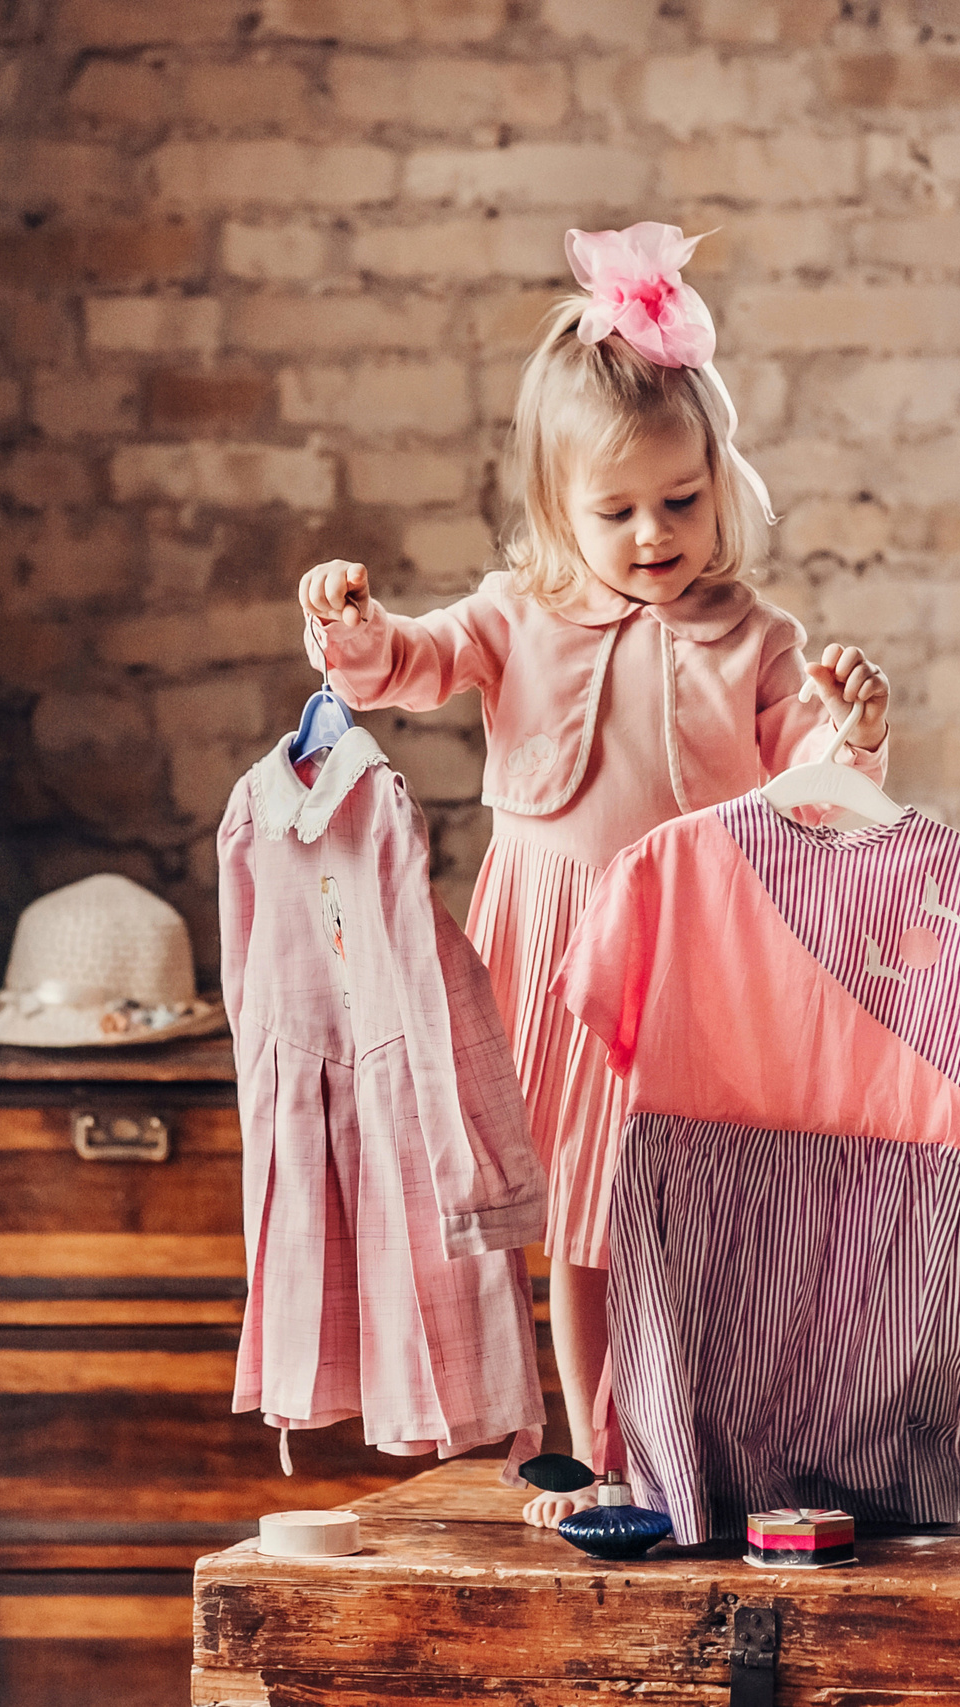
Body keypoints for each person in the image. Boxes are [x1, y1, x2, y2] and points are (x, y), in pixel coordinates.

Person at [295, 223, 892, 1525]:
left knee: (707, 1216)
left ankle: (716, 1437)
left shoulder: (756, 636)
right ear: (555, 507)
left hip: (703, 949)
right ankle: (598, 1454)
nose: (650, 535)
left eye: (680, 502)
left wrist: (854, 721)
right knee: (584, 1217)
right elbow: (410, 665)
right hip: (558, 953)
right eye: (614, 511)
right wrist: (354, 625)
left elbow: (821, 782)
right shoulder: (517, 612)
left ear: (721, 483)